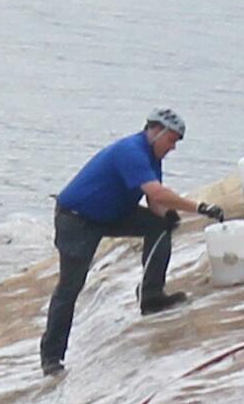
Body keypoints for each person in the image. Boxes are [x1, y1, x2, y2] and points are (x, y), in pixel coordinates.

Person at [38, 107, 225, 377]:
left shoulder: (152, 156)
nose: (172, 147)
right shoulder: (131, 151)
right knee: (70, 287)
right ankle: (52, 358)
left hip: (109, 215)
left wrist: (168, 218)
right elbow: (156, 191)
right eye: (171, 140)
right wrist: (200, 207)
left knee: (161, 225)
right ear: (155, 131)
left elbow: (156, 202)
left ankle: (152, 297)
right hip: (76, 221)